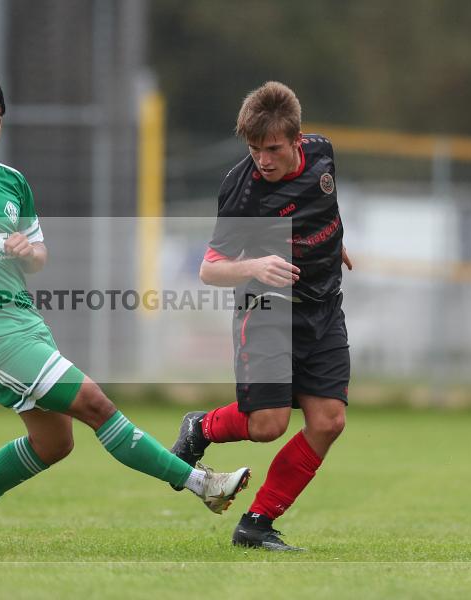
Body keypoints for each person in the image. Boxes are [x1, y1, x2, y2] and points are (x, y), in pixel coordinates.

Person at [0, 69, 251, 555]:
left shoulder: (12, 183)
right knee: (95, 402)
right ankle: (202, 484)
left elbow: (38, 256)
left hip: (26, 325)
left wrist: (24, 252)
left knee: (55, 444)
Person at [170, 81, 353, 552]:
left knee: (329, 420)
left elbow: (322, 208)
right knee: (268, 425)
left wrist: (334, 246)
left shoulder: (323, 153)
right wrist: (254, 266)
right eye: (254, 149)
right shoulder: (241, 189)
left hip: (324, 307)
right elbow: (209, 270)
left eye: (272, 149)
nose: (263, 160)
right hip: (268, 309)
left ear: (296, 140)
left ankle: (256, 523)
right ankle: (202, 427)